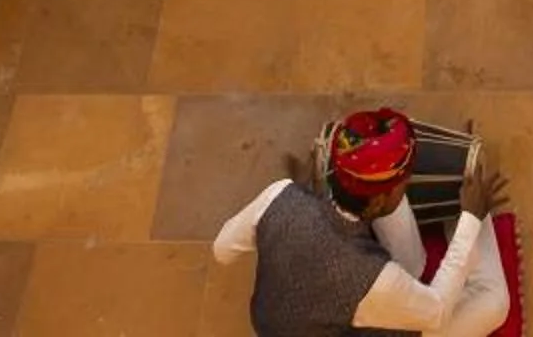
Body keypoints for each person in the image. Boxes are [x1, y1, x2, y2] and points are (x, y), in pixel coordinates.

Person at [211, 106, 512, 337]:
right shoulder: (372, 278)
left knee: (408, 250)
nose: (407, 184)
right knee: (493, 302)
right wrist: (472, 219)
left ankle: (465, 194)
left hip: (274, 323)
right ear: (378, 199)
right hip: (361, 309)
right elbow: (437, 311)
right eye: (404, 183)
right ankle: (470, 200)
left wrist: (293, 212)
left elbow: (221, 250)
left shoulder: (280, 194)